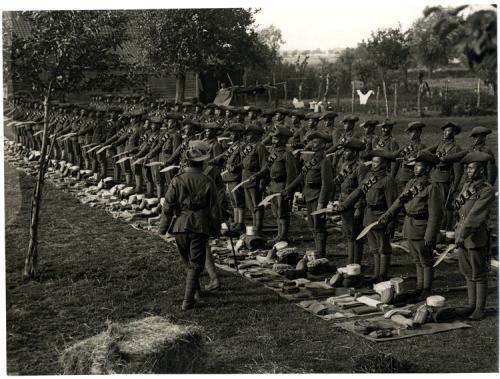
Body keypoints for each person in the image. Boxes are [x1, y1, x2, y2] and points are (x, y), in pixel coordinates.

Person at [159, 147, 222, 310]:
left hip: (179, 225)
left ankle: (196, 292)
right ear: (201, 164)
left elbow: (167, 206)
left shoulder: (177, 179)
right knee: (195, 264)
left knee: (188, 261)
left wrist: (163, 228)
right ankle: (188, 301)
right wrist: (216, 230)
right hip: (199, 226)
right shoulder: (208, 181)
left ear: (187, 162)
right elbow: (215, 209)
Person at [378, 151, 444, 297]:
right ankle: (420, 288)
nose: (415, 168)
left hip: (422, 228)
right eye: (415, 165)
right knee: (417, 260)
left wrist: (430, 234)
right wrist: (387, 215)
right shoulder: (412, 183)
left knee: (426, 260)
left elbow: (435, 214)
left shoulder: (431, 188)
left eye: (419, 166)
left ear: (427, 169)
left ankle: (426, 289)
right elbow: (399, 201)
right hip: (410, 225)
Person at [336, 149, 399, 283]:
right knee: (375, 248)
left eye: (377, 162)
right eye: (373, 162)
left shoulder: (388, 181)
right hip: (369, 216)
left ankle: (382, 275)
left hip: (381, 217)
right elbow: (358, 191)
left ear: (384, 164)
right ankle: (376, 275)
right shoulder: (370, 177)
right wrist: (345, 205)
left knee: (384, 248)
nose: (374, 164)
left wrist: (390, 223)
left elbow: (393, 204)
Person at [453, 151, 495, 321]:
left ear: (481, 171)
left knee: (478, 274)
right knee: (467, 272)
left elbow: (474, 216)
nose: (468, 171)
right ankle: (471, 305)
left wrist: (461, 234)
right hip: (462, 236)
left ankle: (480, 308)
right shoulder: (467, 186)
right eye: (467, 168)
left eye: (471, 168)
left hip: (475, 237)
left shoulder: (486, 190)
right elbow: (460, 210)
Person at [282, 132, 334, 259]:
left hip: (317, 196)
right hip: (309, 195)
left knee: (319, 225)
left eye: (315, 142)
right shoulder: (312, 159)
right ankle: (317, 251)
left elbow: (327, 184)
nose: (312, 144)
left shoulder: (324, 161)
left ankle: (321, 253)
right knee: (312, 224)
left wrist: (322, 203)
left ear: (322, 145)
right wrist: (289, 188)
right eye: (312, 142)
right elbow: (301, 176)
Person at [249, 127, 298, 243]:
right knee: (276, 211)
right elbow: (267, 167)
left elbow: (291, 174)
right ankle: (279, 235)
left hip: (282, 186)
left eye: (276, 139)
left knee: (283, 212)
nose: (273, 141)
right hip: (273, 185)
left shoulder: (287, 154)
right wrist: (258, 175)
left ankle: (283, 236)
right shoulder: (273, 152)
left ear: (283, 140)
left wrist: (288, 190)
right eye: (273, 139)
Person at [423, 122, 463, 236]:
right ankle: (439, 226)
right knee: (435, 203)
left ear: (454, 133)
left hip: (446, 179)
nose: (445, 133)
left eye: (448, 131)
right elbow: (426, 151)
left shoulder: (456, 148)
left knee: (446, 204)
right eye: (444, 131)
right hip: (435, 177)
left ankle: (448, 228)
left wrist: (455, 186)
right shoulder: (440, 143)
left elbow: (458, 170)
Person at [334, 139, 369, 266]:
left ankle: (356, 264)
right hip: (344, 203)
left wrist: (359, 207)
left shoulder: (361, 167)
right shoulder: (345, 166)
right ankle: (350, 264)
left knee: (357, 236)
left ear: (354, 152)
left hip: (354, 205)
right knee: (348, 235)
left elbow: (362, 189)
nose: (343, 153)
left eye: (347, 151)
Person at [209, 123, 247, 232]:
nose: (231, 136)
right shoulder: (232, 146)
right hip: (229, 176)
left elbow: (243, 162)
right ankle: (236, 221)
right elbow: (222, 157)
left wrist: (235, 167)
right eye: (230, 134)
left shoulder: (242, 146)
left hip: (236, 176)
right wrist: (209, 162)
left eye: (233, 134)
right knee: (233, 200)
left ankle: (241, 222)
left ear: (239, 134)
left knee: (239, 200)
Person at [241, 123, 269, 235]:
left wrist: (262, 180)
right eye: (247, 136)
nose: (248, 137)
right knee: (250, 205)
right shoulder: (248, 147)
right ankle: (254, 225)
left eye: (251, 135)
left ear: (257, 135)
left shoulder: (260, 147)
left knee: (257, 204)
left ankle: (258, 227)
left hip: (255, 177)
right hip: (246, 177)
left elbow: (265, 165)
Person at [394, 121, 427, 192]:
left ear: (418, 133)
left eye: (411, 131)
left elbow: (421, 162)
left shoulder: (421, 146)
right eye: (408, 132)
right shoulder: (407, 145)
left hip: (411, 176)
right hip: (402, 175)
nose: (409, 134)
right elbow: (396, 153)